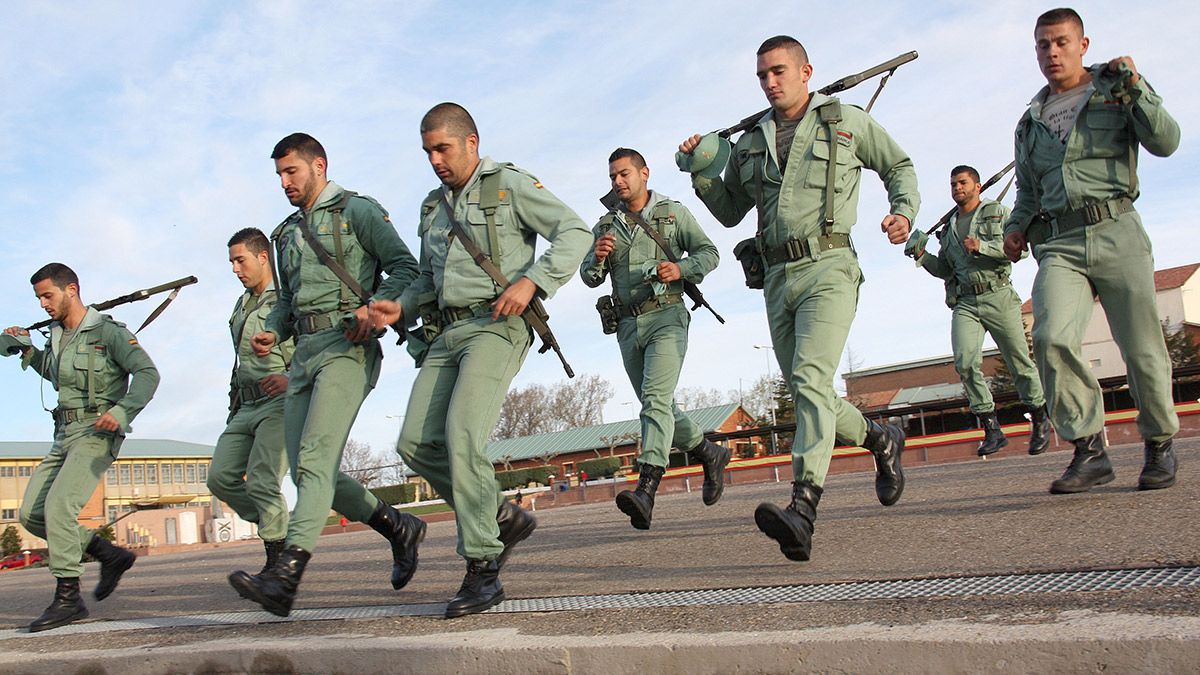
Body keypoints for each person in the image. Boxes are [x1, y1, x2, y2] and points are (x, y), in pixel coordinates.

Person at [677, 35, 919, 563]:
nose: (770, 82)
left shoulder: (844, 121)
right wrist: (700, 171)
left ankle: (803, 506)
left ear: (806, 71)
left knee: (810, 379)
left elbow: (898, 165)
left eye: (780, 71)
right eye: (762, 75)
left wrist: (903, 210)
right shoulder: (749, 144)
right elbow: (728, 211)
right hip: (778, 277)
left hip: (830, 265)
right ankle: (881, 439)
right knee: (814, 393)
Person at [369, 102, 591, 617]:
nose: (435, 160)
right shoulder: (431, 206)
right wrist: (398, 305)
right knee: (415, 444)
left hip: (497, 325)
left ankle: (483, 568)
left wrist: (532, 280)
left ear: (471, 142)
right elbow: (427, 277)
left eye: (442, 148)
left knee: (462, 436)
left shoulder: (507, 185)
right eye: (427, 152)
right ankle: (499, 516)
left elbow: (575, 231)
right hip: (446, 332)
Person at [228, 133, 423, 617]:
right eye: (278, 175)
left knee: (313, 458)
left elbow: (406, 268)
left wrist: (376, 308)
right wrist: (272, 330)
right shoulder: (285, 233)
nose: (284, 182)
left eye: (291, 171)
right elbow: (289, 302)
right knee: (307, 471)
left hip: (348, 345)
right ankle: (398, 526)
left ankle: (286, 577)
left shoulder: (356, 211)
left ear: (319, 165)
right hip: (305, 355)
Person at [1002, 8, 1180, 493]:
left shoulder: (1116, 88)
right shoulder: (1030, 122)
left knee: (1141, 345)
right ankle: (1090, 450)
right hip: (1059, 242)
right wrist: (1016, 229)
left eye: (1061, 42)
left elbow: (1166, 141)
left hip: (1117, 228)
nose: (1052, 53)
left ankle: (1159, 443)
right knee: (1051, 337)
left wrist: (1137, 87)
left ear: (1083, 44)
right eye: (1043, 45)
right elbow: (1028, 193)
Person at [2, 263, 159, 632]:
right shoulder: (57, 335)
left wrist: (122, 412)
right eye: (38, 297)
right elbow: (58, 376)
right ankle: (108, 554)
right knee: (31, 515)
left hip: (98, 430)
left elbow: (148, 374)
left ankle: (68, 599)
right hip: (63, 434)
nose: (42, 304)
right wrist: (25, 350)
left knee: (59, 507)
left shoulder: (108, 332)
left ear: (70, 289)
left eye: (47, 295)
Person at [579, 147, 730, 530]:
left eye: (625, 173)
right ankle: (708, 452)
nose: (618, 181)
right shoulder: (606, 225)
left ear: (645, 173)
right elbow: (588, 276)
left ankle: (646, 487)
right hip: (628, 326)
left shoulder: (672, 213)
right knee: (656, 403)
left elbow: (709, 253)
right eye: (613, 176)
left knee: (655, 400)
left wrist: (680, 268)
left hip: (667, 316)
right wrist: (596, 257)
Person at [905, 166, 1051, 456]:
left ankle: (1039, 418)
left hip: (997, 294)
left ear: (978, 186)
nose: (957, 188)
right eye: (953, 184)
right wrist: (922, 255)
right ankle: (991, 427)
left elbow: (1018, 250)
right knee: (965, 361)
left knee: (1018, 360)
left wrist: (982, 246)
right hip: (965, 302)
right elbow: (946, 269)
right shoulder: (949, 230)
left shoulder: (996, 212)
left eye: (962, 182)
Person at [207, 228, 294, 582]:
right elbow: (238, 362)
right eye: (231, 261)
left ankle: (276, 564)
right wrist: (233, 405)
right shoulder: (241, 305)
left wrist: (293, 378)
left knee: (262, 478)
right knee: (220, 477)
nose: (234, 269)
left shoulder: (288, 297)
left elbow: (314, 342)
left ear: (262, 257)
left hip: (280, 401)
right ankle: (278, 527)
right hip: (245, 406)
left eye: (240, 260)